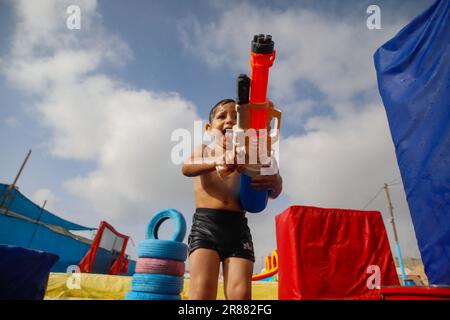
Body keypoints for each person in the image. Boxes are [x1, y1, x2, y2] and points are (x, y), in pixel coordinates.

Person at [182, 99, 283, 300]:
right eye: (222, 116)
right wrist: (215, 161)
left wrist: (276, 181)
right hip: (205, 225)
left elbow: (271, 193)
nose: (229, 121)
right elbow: (187, 167)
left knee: (241, 294)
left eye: (237, 118)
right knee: (202, 291)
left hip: (238, 228)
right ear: (209, 128)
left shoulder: (254, 155)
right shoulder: (205, 150)